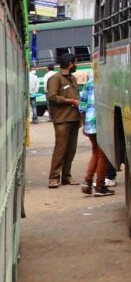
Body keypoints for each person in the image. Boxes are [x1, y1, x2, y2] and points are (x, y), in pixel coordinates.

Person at [46, 53, 81, 189]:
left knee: (71, 149)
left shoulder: (72, 78)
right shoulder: (56, 78)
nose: (76, 65)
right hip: (62, 120)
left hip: (74, 118)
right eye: (75, 62)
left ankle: (66, 176)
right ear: (70, 64)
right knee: (60, 149)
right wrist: (71, 101)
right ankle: (54, 178)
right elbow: (52, 97)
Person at [78, 74, 113, 196]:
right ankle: (100, 186)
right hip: (101, 122)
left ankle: (87, 182)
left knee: (95, 152)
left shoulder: (89, 82)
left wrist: (83, 124)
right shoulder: (108, 81)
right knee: (102, 154)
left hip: (89, 122)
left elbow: (82, 105)